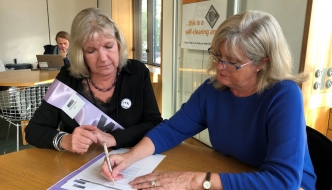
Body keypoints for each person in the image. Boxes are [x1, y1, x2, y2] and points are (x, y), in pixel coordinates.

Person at [101, 10, 316, 190]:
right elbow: (171, 130)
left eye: (232, 62)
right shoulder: (212, 90)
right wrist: (130, 157)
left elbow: (283, 181)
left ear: (262, 63)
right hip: (235, 172)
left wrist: (195, 180)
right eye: (218, 56)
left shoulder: (284, 95)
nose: (220, 66)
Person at [25, 8, 162, 153]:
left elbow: (154, 123)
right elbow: (33, 130)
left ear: (119, 44)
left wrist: (113, 138)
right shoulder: (68, 78)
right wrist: (65, 140)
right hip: (78, 166)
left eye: (109, 46)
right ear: (80, 54)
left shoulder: (137, 72)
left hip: (130, 163)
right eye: (91, 51)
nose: (103, 57)